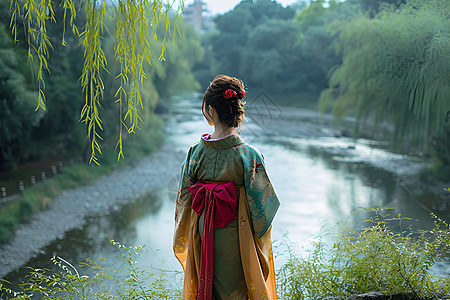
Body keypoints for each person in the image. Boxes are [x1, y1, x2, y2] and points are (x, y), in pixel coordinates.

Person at [173, 74, 280, 300]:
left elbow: (184, 199)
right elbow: (263, 210)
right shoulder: (249, 155)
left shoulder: (194, 152)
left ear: (211, 111)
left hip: (202, 235)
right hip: (236, 239)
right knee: (237, 292)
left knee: (207, 289)